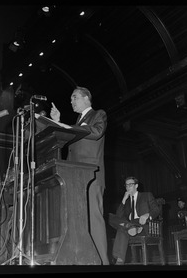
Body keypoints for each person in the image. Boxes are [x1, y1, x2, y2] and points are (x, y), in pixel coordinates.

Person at [50, 86, 109, 265]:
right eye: (71, 98)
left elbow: (97, 131)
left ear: (86, 98)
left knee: (94, 219)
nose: (71, 101)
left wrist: (70, 127)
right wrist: (57, 123)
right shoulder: (78, 121)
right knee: (77, 220)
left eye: (74, 97)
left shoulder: (98, 114)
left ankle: (103, 262)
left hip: (92, 175)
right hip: (74, 177)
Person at [109, 176, 160, 265]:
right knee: (110, 217)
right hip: (130, 224)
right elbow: (118, 216)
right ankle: (130, 227)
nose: (128, 187)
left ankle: (119, 260)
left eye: (131, 184)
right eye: (126, 185)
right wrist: (124, 200)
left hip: (143, 224)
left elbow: (156, 210)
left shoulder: (146, 195)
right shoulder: (127, 201)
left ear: (136, 186)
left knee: (122, 228)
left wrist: (147, 215)